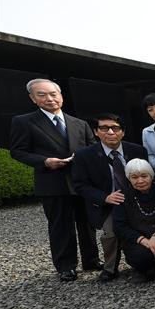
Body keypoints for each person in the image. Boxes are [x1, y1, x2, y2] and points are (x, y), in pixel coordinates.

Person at [10, 78, 100, 281]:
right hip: (52, 181)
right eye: (42, 94)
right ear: (33, 99)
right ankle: (66, 266)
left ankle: (91, 259)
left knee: (87, 223)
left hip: (81, 181)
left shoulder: (79, 123)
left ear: (61, 96)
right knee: (60, 226)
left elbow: (92, 146)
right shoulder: (23, 121)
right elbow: (18, 151)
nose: (49, 98)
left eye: (53, 94)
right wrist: (44, 161)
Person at [71, 114, 148, 282]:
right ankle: (110, 268)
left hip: (137, 201)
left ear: (123, 132)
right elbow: (79, 185)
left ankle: (141, 265)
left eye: (115, 128)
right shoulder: (84, 155)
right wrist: (105, 197)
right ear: (96, 132)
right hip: (108, 204)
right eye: (104, 128)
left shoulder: (137, 150)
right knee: (111, 233)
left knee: (143, 229)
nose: (111, 132)